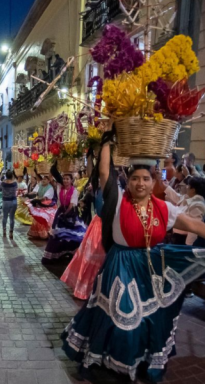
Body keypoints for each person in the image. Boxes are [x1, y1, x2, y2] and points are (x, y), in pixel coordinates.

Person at [61, 139, 205, 383]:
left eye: (146, 179)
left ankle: (139, 360)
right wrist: (106, 141)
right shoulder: (118, 201)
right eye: (135, 178)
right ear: (128, 181)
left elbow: (194, 225)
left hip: (150, 266)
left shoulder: (164, 208)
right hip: (120, 265)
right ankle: (110, 361)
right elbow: (105, 172)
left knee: (149, 319)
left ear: (153, 182)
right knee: (121, 318)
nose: (140, 183)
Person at [42, 164, 87, 263]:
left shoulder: (74, 191)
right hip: (61, 211)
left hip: (70, 214)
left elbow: (72, 204)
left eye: (67, 179)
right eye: (64, 179)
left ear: (71, 180)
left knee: (71, 235)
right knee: (57, 235)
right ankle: (57, 255)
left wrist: (65, 214)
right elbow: (53, 173)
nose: (65, 180)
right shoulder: (60, 188)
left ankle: (71, 253)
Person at [164, 176, 205, 245]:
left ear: (193, 190)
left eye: (188, 185)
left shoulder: (198, 205)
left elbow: (194, 229)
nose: (186, 187)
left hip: (182, 240)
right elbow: (177, 197)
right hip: (176, 237)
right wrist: (164, 186)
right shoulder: (189, 198)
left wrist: (188, 246)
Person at [26, 173, 57, 239]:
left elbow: (44, 198)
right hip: (40, 203)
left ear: (48, 181)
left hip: (47, 205)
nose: (43, 180)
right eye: (43, 179)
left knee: (44, 217)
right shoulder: (40, 185)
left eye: (45, 179)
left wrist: (36, 200)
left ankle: (46, 234)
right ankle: (38, 233)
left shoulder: (50, 188)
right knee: (37, 218)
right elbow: (34, 192)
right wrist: (27, 194)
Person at [0, 170, 18, 239]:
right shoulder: (15, 183)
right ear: (12, 176)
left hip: (5, 201)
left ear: (6, 176)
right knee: (12, 217)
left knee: (5, 217)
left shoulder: (3, 183)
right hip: (14, 201)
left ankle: (4, 231)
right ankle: (11, 231)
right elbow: (16, 189)